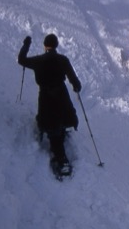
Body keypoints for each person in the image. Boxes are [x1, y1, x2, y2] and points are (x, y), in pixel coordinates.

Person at [18, 33, 81, 174]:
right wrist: (76, 86)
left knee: (51, 124)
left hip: (46, 96)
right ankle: (61, 136)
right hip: (61, 95)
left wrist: (26, 45)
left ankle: (60, 158)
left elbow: (21, 60)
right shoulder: (63, 59)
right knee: (62, 118)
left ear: (45, 46)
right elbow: (74, 81)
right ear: (56, 45)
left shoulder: (38, 60)